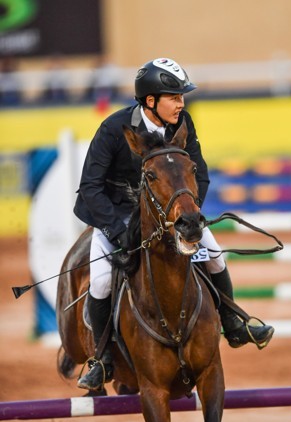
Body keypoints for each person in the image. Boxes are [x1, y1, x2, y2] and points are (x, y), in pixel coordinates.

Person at [74, 57, 274, 391]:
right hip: (116, 213)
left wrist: (189, 213)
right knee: (103, 281)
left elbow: (200, 174)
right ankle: (102, 358)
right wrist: (116, 230)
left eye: (182, 96)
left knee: (213, 254)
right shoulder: (113, 129)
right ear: (150, 101)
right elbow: (91, 187)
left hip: (169, 214)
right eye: (174, 97)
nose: (181, 103)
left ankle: (233, 323)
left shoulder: (182, 125)